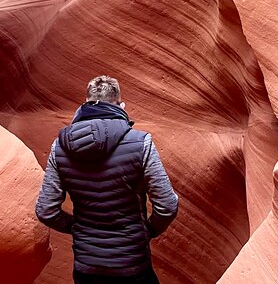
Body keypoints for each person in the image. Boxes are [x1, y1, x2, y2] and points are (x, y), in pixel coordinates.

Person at [35, 75, 179, 284]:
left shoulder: (60, 147)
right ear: (121, 105)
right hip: (132, 264)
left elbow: (45, 210)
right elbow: (167, 205)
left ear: (84, 104)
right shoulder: (141, 143)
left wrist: (78, 229)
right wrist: (147, 231)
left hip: (87, 267)